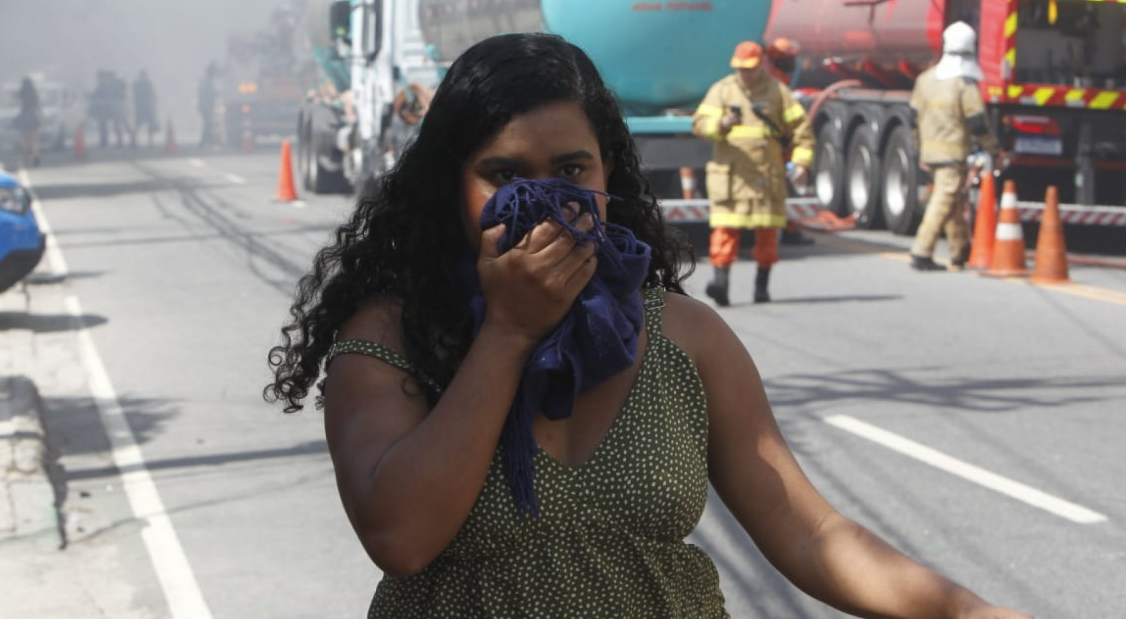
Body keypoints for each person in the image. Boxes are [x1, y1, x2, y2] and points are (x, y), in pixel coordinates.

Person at [266, 32, 1034, 619]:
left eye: (571, 172)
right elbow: (400, 537)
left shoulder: (684, 338)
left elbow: (810, 533)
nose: (544, 201)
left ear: (609, 176)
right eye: (504, 176)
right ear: (449, 187)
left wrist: (967, 611)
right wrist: (506, 334)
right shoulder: (390, 336)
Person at [692, 40, 815, 306]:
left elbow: (802, 131)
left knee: (768, 233)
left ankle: (762, 287)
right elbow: (700, 125)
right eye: (740, 69)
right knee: (725, 230)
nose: (745, 74)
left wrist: (802, 163)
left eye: (750, 69)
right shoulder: (722, 90)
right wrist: (721, 124)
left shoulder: (778, 92)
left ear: (761, 65)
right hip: (732, 176)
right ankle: (720, 283)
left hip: (765, 177)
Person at [909, 21, 1004, 271]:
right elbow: (978, 123)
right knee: (944, 200)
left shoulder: (925, 79)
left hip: (931, 152)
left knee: (953, 203)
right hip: (952, 153)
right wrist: (995, 150)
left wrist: (919, 149)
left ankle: (959, 251)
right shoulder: (964, 85)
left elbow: (912, 119)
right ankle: (921, 251)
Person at [765, 36, 816, 247]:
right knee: (785, 186)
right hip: (778, 143)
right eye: (789, 57)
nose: (793, 62)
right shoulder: (775, 79)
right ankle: (788, 229)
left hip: (780, 142)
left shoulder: (778, 77)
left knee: (788, 185)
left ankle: (788, 227)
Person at [15, 76, 42, 167]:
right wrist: (41, 115)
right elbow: (38, 106)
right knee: (34, 139)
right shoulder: (34, 93)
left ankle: (25, 159)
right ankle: (36, 157)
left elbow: (15, 96)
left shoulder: (22, 93)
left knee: (24, 139)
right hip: (32, 116)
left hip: (24, 115)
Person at [132, 70, 159, 148]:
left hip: (142, 107)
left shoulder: (137, 84)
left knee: (139, 125)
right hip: (145, 107)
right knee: (141, 125)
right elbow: (152, 96)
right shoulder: (147, 84)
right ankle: (149, 141)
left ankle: (135, 140)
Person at [198, 62, 219, 149]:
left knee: (208, 124)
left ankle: (208, 142)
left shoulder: (207, 80)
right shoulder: (206, 81)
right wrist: (215, 94)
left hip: (206, 106)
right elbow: (206, 93)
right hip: (205, 106)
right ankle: (206, 142)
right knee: (208, 124)